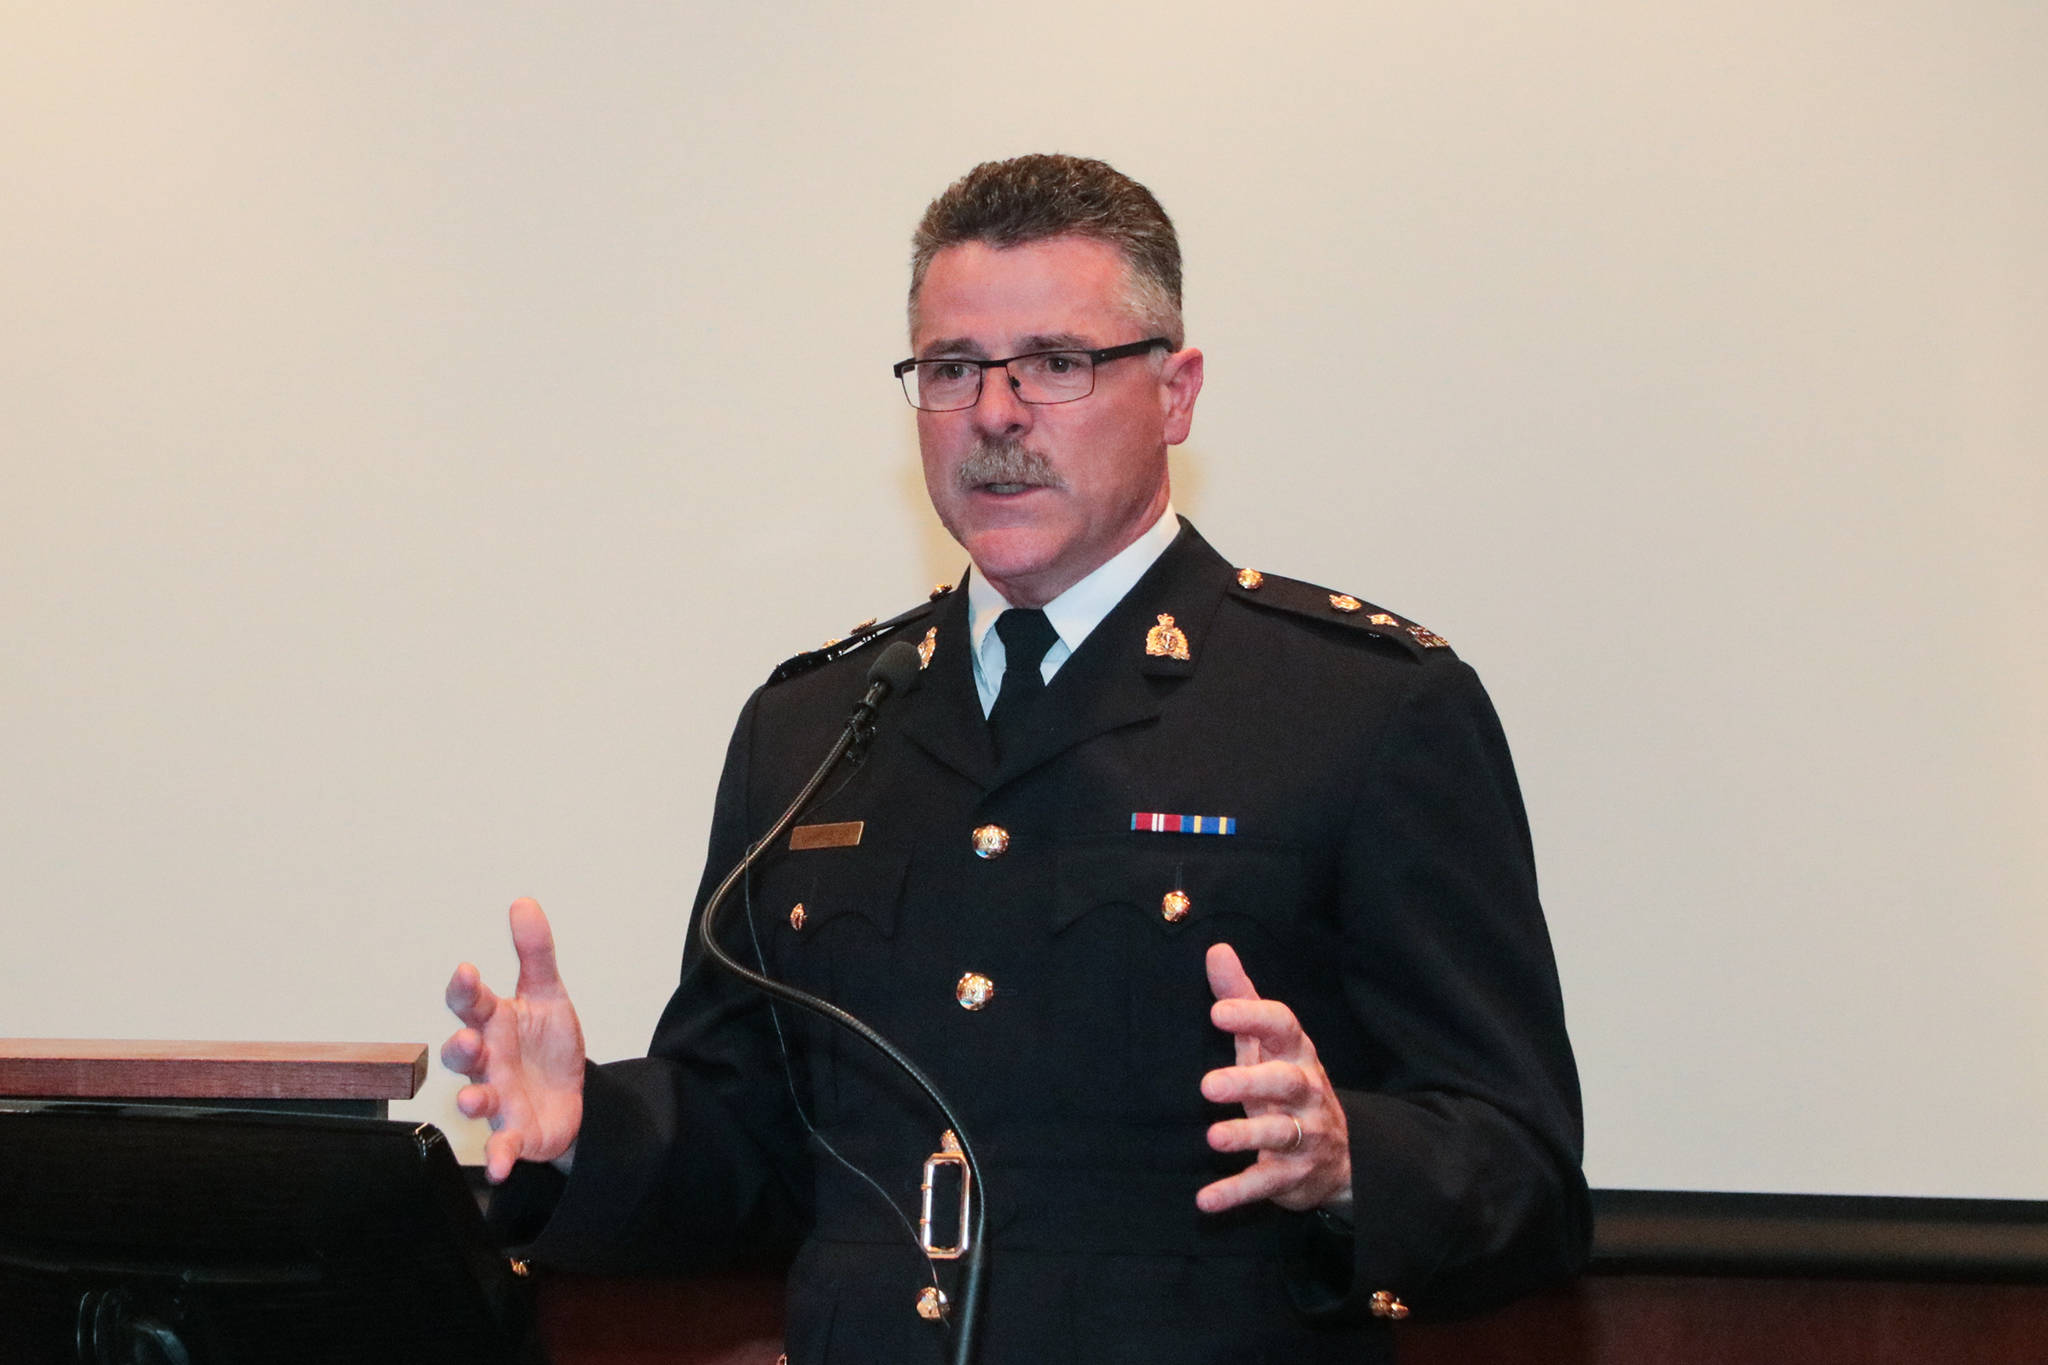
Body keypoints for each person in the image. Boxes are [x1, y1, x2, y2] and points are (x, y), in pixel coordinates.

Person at [442, 154, 1589, 1363]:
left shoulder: (1359, 709)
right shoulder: (818, 724)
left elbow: (1521, 1175)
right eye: (950, 370)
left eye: (1056, 363)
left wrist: (1351, 1157)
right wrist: (586, 1129)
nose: (994, 414)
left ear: (1176, 391)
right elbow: (757, 1149)